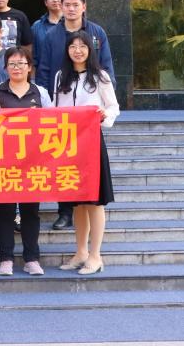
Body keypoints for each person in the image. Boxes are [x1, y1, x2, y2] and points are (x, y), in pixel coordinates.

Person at [34, 0, 116, 230]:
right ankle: (64, 211)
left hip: (89, 120)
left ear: (83, 7)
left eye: (75, 5)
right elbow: (44, 69)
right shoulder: (51, 35)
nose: (70, 9)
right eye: (66, 4)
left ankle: (88, 212)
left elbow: (107, 64)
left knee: (89, 171)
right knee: (64, 165)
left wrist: (105, 97)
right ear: (60, 6)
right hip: (62, 110)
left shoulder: (97, 32)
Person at [54, 30, 119, 276]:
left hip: (91, 142)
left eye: (82, 46)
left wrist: (104, 116)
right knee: (77, 202)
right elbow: (57, 108)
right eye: (73, 46)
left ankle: (95, 255)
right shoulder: (61, 76)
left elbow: (113, 106)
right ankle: (80, 252)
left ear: (90, 50)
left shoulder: (100, 76)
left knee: (95, 201)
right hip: (68, 144)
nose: (78, 50)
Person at [0, 45, 52, 277]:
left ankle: (31, 258)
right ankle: (6, 258)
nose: (17, 67)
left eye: (21, 63)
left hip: (33, 161)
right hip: (3, 161)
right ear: (5, 67)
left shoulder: (41, 93)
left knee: (31, 212)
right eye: (12, 64)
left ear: (30, 67)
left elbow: (53, 122)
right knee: (5, 212)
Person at [31, 0, 64, 75]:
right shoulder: (36, 27)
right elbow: (32, 57)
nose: (55, 0)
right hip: (44, 76)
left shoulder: (73, 23)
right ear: (46, 2)